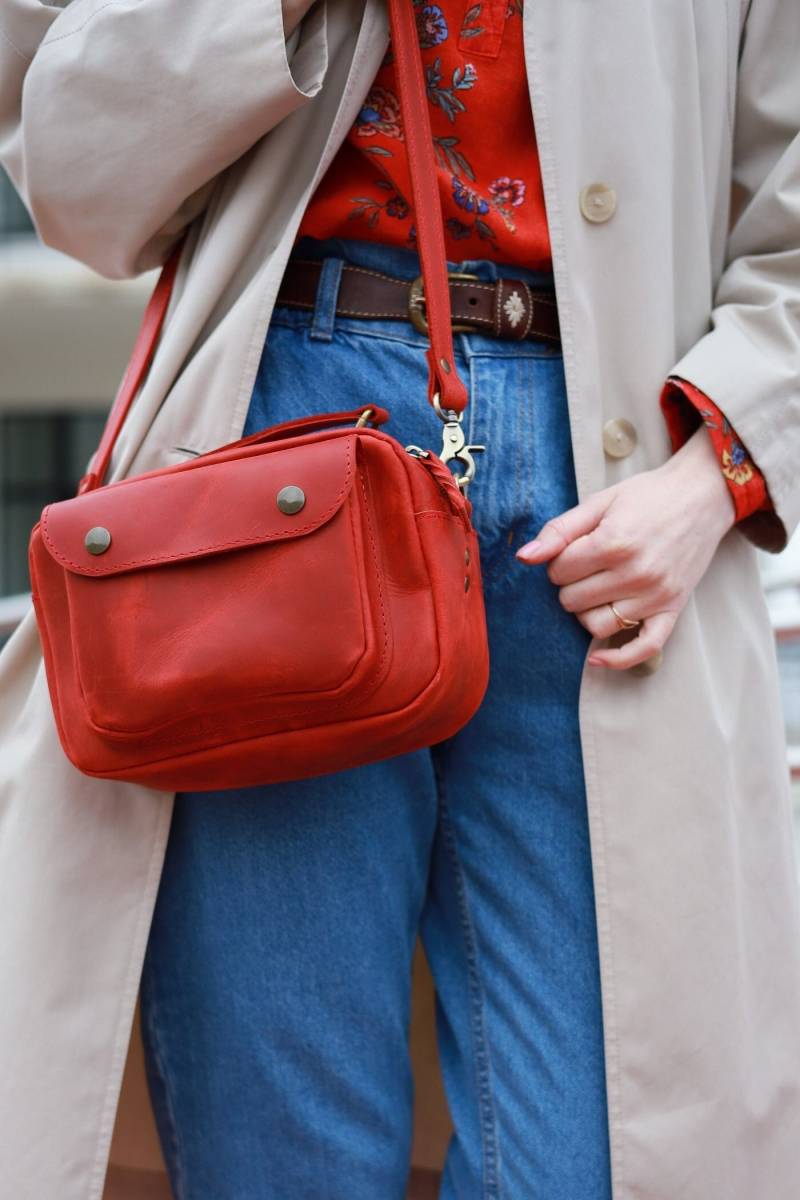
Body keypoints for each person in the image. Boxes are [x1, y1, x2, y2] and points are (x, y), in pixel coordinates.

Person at [0, 1, 799, 1198]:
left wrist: (709, 479)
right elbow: (74, 173)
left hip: (620, 487)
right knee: (286, 1154)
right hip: (274, 489)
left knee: (599, 1157)